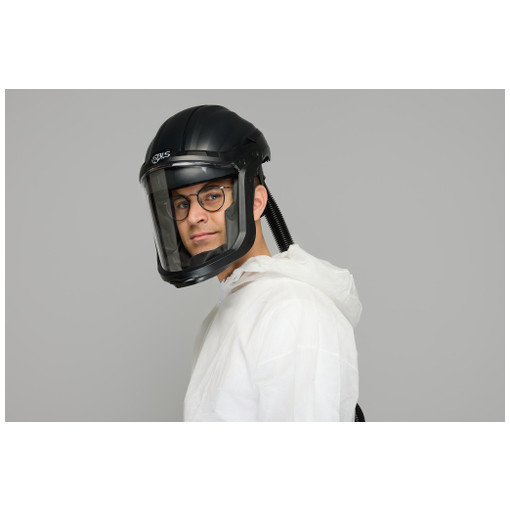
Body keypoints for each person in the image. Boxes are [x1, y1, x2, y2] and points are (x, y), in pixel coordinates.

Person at [139, 105, 362, 421]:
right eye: (181, 204)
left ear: (256, 202)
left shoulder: (292, 311)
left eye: (212, 195)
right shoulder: (220, 318)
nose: (193, 216)